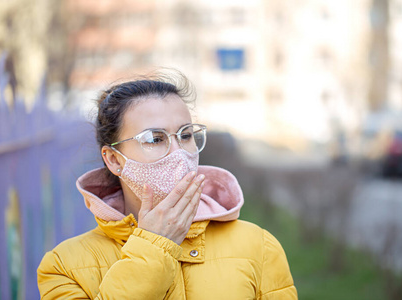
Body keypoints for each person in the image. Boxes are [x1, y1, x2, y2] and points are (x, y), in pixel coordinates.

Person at [37, 71, 297, 299]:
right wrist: (153, 246)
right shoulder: (63, 267)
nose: (179, 152)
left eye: (185, 135)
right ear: (114, 160)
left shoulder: (258, 246)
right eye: (154, 138)